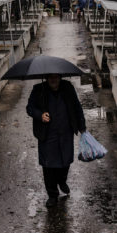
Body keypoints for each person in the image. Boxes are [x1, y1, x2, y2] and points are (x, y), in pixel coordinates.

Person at [26, 74, 86, 207]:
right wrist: (40, 115)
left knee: (65, 162)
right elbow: (29, 108)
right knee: (48, 166)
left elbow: (77, 106)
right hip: (47, 135)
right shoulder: (38, 89)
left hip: (65, 133)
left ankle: (62, 180)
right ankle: (52, 195)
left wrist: (82, 127)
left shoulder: (68, 87)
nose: (53, 80)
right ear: (46, 78)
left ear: (60, 77)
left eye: (56, 77)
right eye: (50, 77)